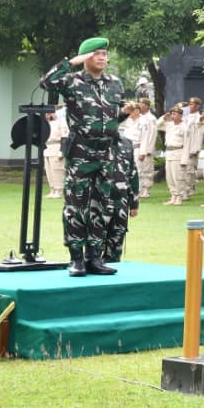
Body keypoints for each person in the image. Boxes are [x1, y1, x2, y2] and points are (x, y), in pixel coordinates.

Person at [38, 36, 127, 277]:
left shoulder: (115, 83)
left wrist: (124, 115)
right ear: (86, 57)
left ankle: (94, 258)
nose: (102, 57)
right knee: (77, 206)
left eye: (104, 54)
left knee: (100, 206)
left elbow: (112, 119)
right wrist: (72, 62)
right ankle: (76, 259)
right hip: (80, 153)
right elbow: (46, 82)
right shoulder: (72, 81)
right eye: (97, 53)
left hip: (106, 153)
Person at [105, 105, 141, 262]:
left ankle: (114, 263)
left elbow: (132, 172)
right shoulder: (95, 142)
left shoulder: (126, 143)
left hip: (121, 198)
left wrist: (134, 203)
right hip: (101, 198)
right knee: (97, 235)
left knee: (118, 234)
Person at [162, 107, 188, 205]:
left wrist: (184, 159)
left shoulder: (184, 127)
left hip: (178, 152)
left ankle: (180, 196)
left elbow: (187, 144)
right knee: (170, 177)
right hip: (169, 153)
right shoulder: (169, 125)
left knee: (178, 177)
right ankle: (173, 195)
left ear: (180, 115)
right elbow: (157, 125)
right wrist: (165, 117)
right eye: (172, 114)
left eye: (175, 114)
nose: (173, 116)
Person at [43, 106, 69, 199]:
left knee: (57, 170)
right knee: (49, 171)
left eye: (51, 113)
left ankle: (59, 190)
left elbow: (64, 137)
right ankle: (52, 189)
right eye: (47, 113)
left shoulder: (61, 122)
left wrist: (62, 151)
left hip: (56, 146)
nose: (49, 115)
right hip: (47, 147)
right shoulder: (46, 124)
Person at [135, 99, 157, 198]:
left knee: (147, 169)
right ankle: (139, 188)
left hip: (147, 147)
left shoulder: (151, 118)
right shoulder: (138, 117)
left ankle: (146, 189)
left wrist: (149, 149)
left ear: (147, 106)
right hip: (138, 146)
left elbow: (152, 134)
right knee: (138, 169)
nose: (140, 105)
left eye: (142, 103)